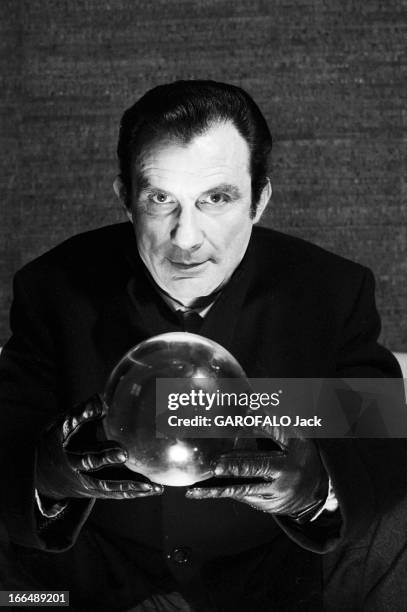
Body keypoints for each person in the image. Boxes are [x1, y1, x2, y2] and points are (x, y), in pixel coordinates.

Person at [0, 80, 407, 611]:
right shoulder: (53, 288)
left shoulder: (330, 292)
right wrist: (41, 481)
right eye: (161, 199)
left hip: (273, 582)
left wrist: (316, 490)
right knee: (24, 596)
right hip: (92, 584)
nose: (186, 237)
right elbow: (9, 434)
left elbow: (377, 445)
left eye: (216, 199)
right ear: (126, 197)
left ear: (259, 200)